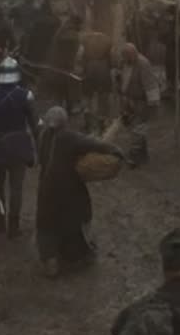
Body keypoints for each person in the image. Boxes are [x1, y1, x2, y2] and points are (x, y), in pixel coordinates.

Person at [35, 107, 126, 277]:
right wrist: (115, 150)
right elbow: (94, 144)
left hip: (45, 189)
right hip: (69, 189)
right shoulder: (69, 137)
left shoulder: (43, 136)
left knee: (46, 225)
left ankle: (50, 261)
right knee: (75, 220)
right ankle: (75, 256)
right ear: (65, 122)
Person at [0, 57, 39, 237]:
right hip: (19, 146)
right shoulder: (26, 96)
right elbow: (35, 125)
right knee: (16, 188)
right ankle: (14, 226)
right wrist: (38, 147)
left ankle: (0, 222)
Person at [118, 43, 161, 166]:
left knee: (138, 128)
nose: (126, 59)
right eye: (125, 57)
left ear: (133, 54)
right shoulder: (125, 62)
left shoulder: (143, 64)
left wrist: (152, 104)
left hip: (142, 101)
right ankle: (142, 154)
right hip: (131, 99)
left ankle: (135, 156)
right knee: (135, 127)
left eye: (128, 56)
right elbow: (124, 80)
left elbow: (150, 84)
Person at [77, 27, 116, 135]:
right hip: (103, 69)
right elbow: (112, 57)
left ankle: (87, 122)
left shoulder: (85, 39)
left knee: (87, 96)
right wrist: (112, 66)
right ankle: (101, 122)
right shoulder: (108, 40)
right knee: (103, 97)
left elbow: (80, 56)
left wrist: (82, 67)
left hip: (89, 69)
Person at [44, 14, 83, 112]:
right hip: (66, 67)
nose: (81, 27)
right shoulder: (72, 35)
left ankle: (60, 110)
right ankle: (67, 110)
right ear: (77, 24)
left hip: (57, 66)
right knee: (67, 91)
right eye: (81, 25)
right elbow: (72, 53)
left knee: (60, 93)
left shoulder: (62, 30)